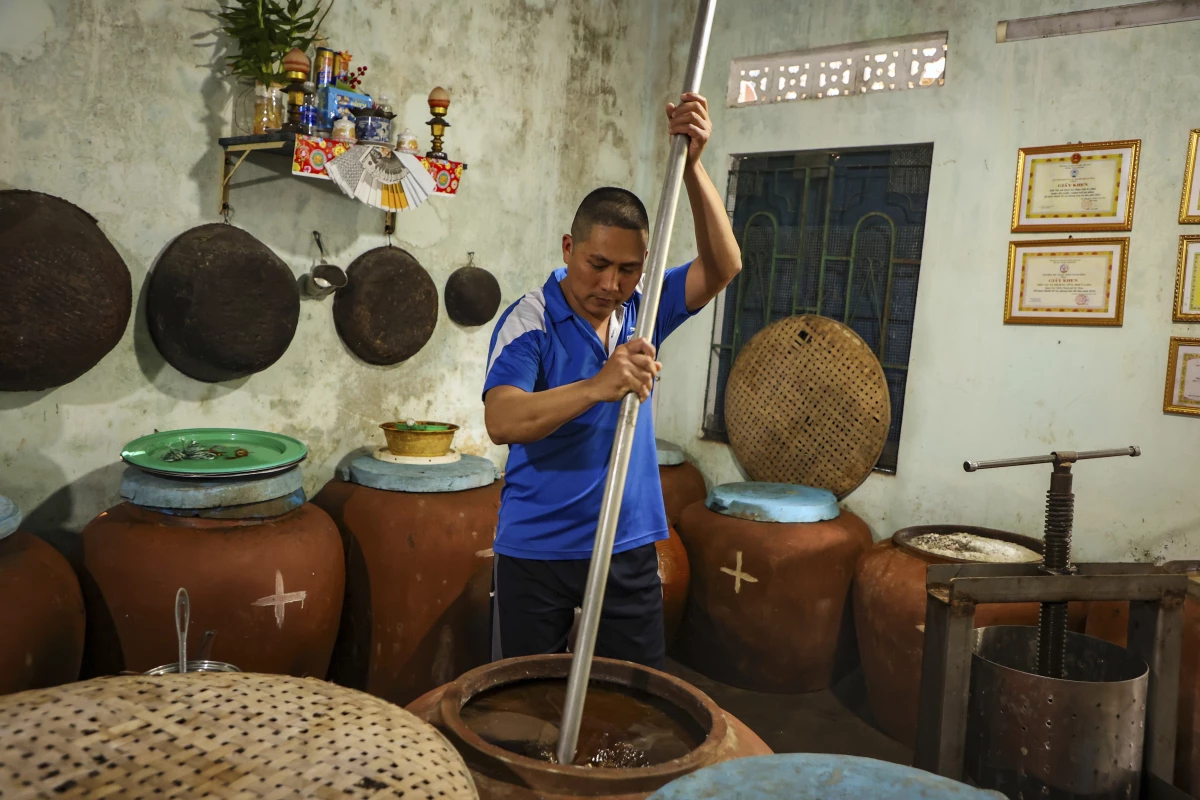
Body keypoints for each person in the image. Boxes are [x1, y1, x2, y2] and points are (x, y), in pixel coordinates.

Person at [482, 92, 741, 669]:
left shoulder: (644, 309)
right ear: (571, 248)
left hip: (627, 545)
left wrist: (694, 167)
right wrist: (600, 384)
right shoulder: (533, 319)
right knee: (521, 707)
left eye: (627, 269)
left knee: (634, 706)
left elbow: (724, 266)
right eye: (597, 264)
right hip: (538, 550)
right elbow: (503, 420)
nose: (610, 283)